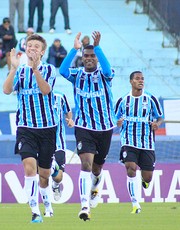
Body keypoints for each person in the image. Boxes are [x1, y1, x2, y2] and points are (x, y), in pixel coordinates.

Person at [59, 31, 116, 221]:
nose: (89, 59)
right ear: (82, 58)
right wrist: (74, 50)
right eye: (86, 56)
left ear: (97, 58)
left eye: (93, 56)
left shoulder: (105, 75)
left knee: (97, 169)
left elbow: (108, 70)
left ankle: (96, 184)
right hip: (84, 127)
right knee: (86, 164)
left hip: (105, 128)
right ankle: (84, 206)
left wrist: (98, 47)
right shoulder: (77, 75)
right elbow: (62, 71)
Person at [3, 34, 58, 223]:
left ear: (42, 51)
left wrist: (35, 70)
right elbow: (6, 90)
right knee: (29, 168)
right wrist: (12, 68)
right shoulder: (20, 71)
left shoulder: (50, 69)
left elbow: (45, 90)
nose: (32, 48)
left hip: (47, 128)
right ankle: (34, 209)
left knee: (44, 174)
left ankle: (47, 202)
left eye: (36, 46)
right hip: (25, 127)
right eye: (29, 45)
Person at [115, 71, 164, 214]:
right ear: (131, 81)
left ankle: (145, 181)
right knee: (130, 167)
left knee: (147, 177)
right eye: (137, 79)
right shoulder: (123, 100)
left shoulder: (150, 99)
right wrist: (118, 122)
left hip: (147, 143)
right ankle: (135, 203)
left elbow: (160, 116)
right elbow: (115, 118)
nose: (140, 81)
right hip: (128, 141)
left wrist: (157, 123)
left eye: (142, 78)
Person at [51, 91, 74, 201]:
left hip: (58, 142)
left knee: (59, 176)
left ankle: (55, 186)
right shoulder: (34, 96)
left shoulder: (60, 96)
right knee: (42, 172)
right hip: (41, 141)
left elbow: (68, 111)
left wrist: (69, 120)